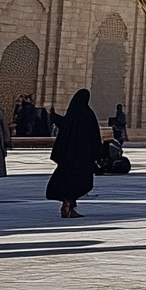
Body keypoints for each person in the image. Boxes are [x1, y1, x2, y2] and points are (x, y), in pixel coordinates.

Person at [45, 89, 101, 218]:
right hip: (83, 158)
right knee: (81, 183)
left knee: (68, 183)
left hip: (68, 158)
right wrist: (98, 153)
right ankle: (69, 205)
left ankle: (68, 205)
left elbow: (63, 125)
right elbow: (94, 136)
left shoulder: (72, 115)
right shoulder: (88, 114)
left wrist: (54, 116)